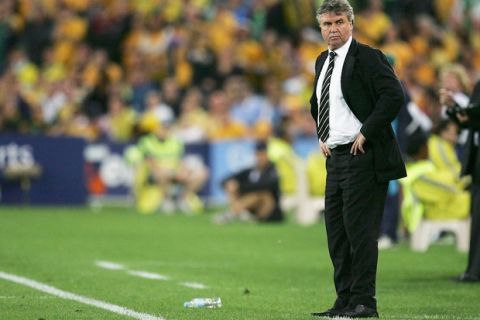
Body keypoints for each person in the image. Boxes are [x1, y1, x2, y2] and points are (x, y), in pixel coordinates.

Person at [309, 0, 406, 318]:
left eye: (338, 22)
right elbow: (319, 102)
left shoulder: (368, 56)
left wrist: (366, 131)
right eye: (326, 24)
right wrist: (322, 134)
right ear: (320, 27)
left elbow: (393, 95)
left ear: (351, 23)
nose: (332, 29)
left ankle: (365, 302)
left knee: (360, 231)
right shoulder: (322, 60)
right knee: (336, 232)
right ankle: (345, 300)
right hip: (335, 158)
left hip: (361, 155)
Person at [440, 81, 480, 283]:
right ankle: (474, 270)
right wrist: (453, 108)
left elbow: (473, 115)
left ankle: (474, 271)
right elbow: (468, 121)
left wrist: (460, 108)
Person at [400, 131, 470, 235]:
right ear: (422, 149)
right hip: (434, 212)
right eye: (428, 146)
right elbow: (448, 189)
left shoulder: (413, 170)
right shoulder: (420, 174)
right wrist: (465, 180)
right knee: (472, 199)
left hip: (430, 210)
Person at [213, 141, 284, 224]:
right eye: (258, 155)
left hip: (271, 209)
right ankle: (240, 213)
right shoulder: (250, 170)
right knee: (232, 185)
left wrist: (243, 187)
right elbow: (224, 180)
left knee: (260, 194)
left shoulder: (273, 169)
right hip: (252, 207)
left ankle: (232, 213)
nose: (261, 158)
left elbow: (270, 185)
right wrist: (233, 185)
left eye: (263, 155)